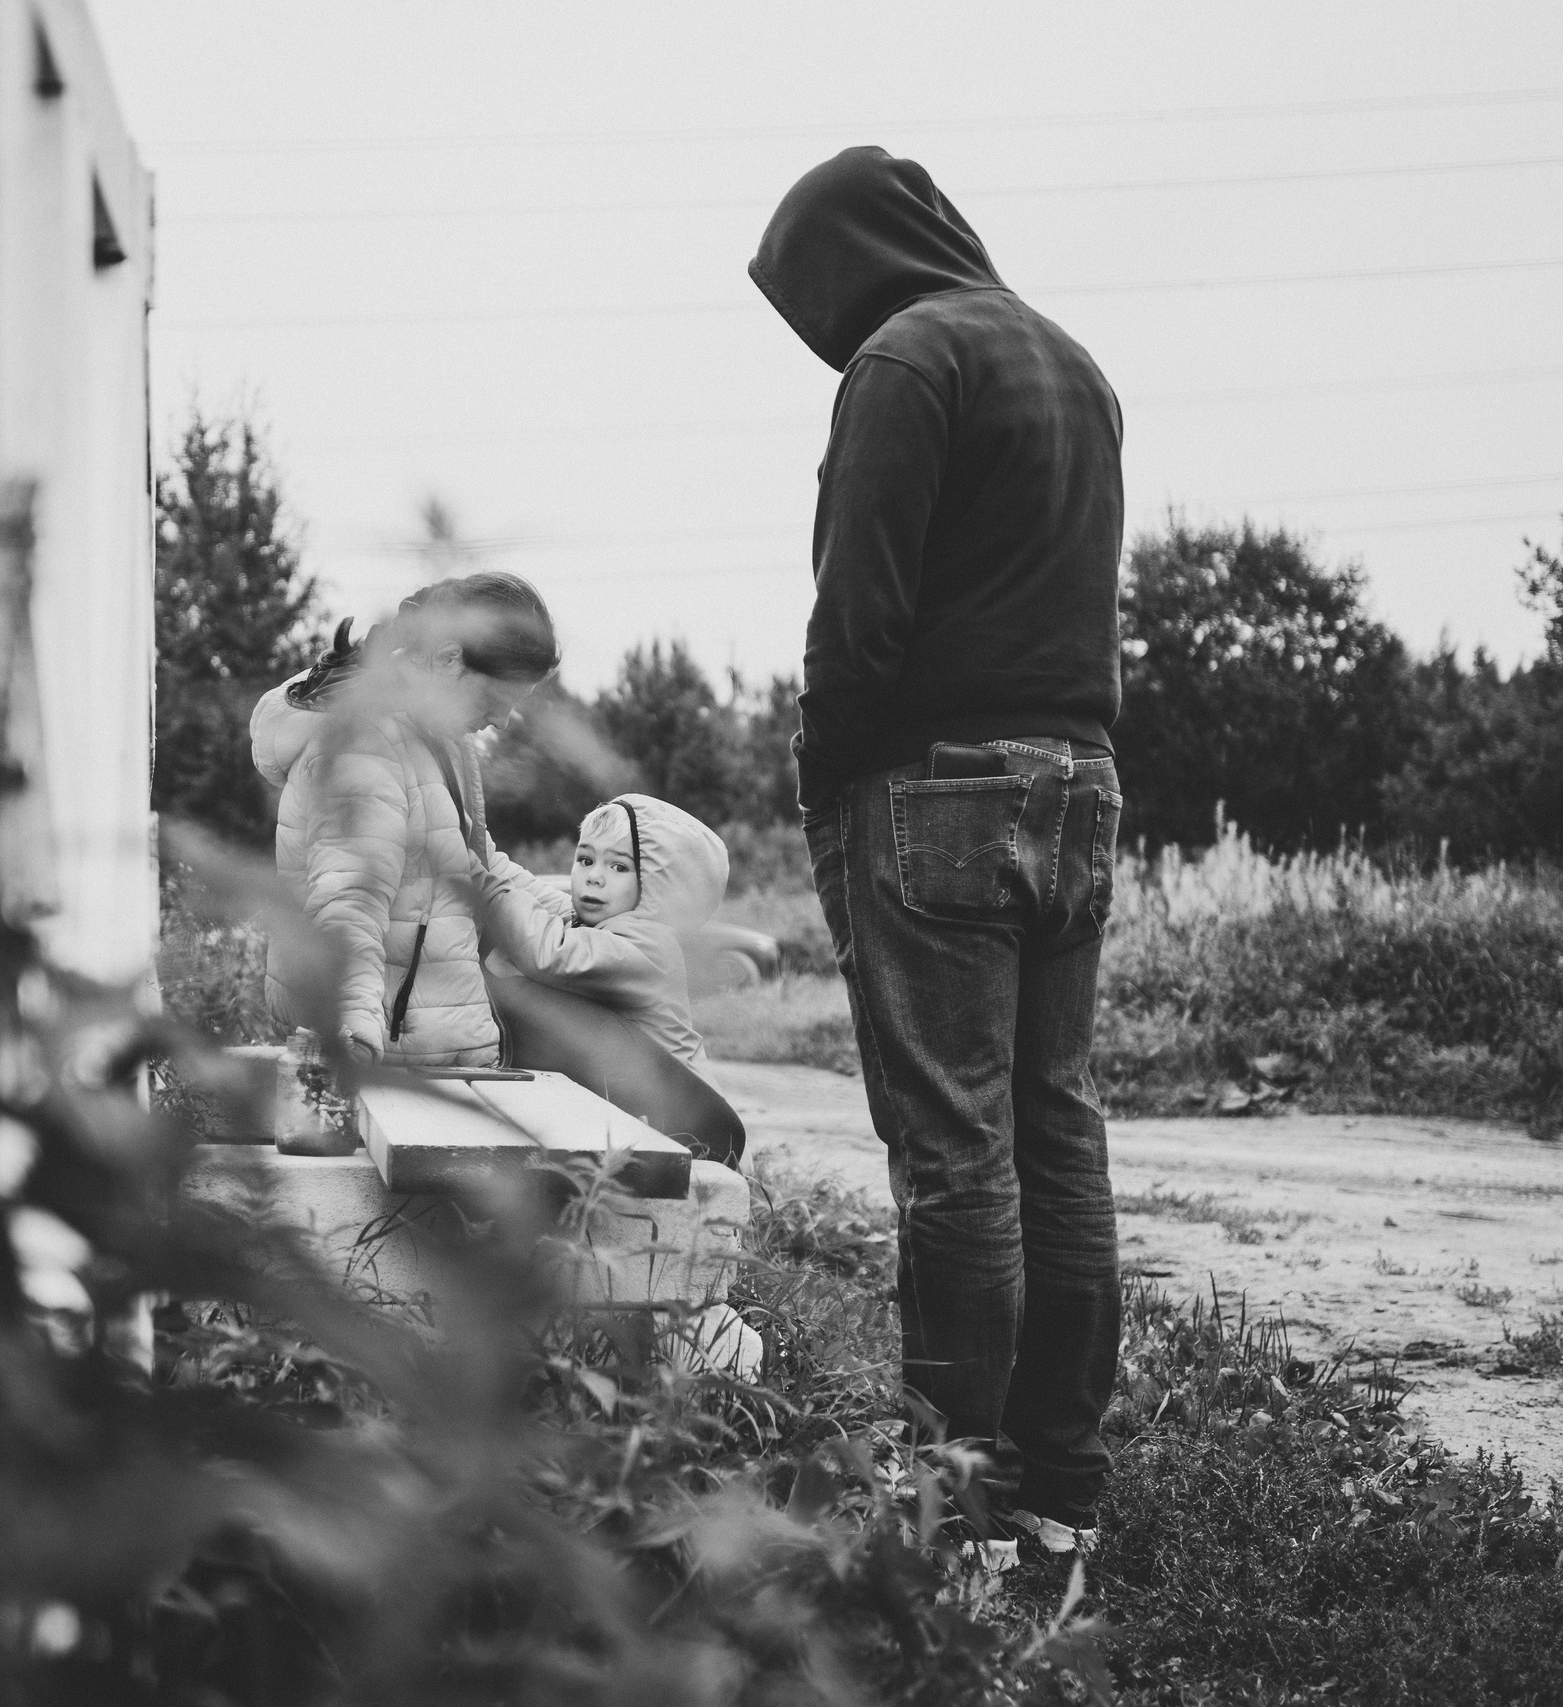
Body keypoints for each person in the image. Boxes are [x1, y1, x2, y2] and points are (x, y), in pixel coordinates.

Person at [750, 147, 1127, 1560]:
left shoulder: (905, 362)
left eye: (816, 296)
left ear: (855, 258)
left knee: (957, 1155)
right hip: (1079, 773)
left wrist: (822, 763)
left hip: (939, 786)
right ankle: (1060, 1493)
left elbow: (861, 611)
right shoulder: (1074, 364)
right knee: (1057, 1127)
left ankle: (953, 1507)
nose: (823, 332)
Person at [250, 573, 559, 1067]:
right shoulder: (368, 742)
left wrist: (576, 916)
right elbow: (348, 900)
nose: (500, 722)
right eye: (492, 701)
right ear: (447, 658)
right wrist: (349, 1034)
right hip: (392, 1053)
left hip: (434, 1037)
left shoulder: (432, 735)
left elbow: (474, 862)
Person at [474, 793, 730, 1067]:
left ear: (657, 886)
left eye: (619, 867)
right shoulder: (596, 923)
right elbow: (519, 882)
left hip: (679, 1104)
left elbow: (548, 953)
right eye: (585, 860)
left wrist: (483, 885)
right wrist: (468, 833)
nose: (594, 876)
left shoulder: (649, 948)